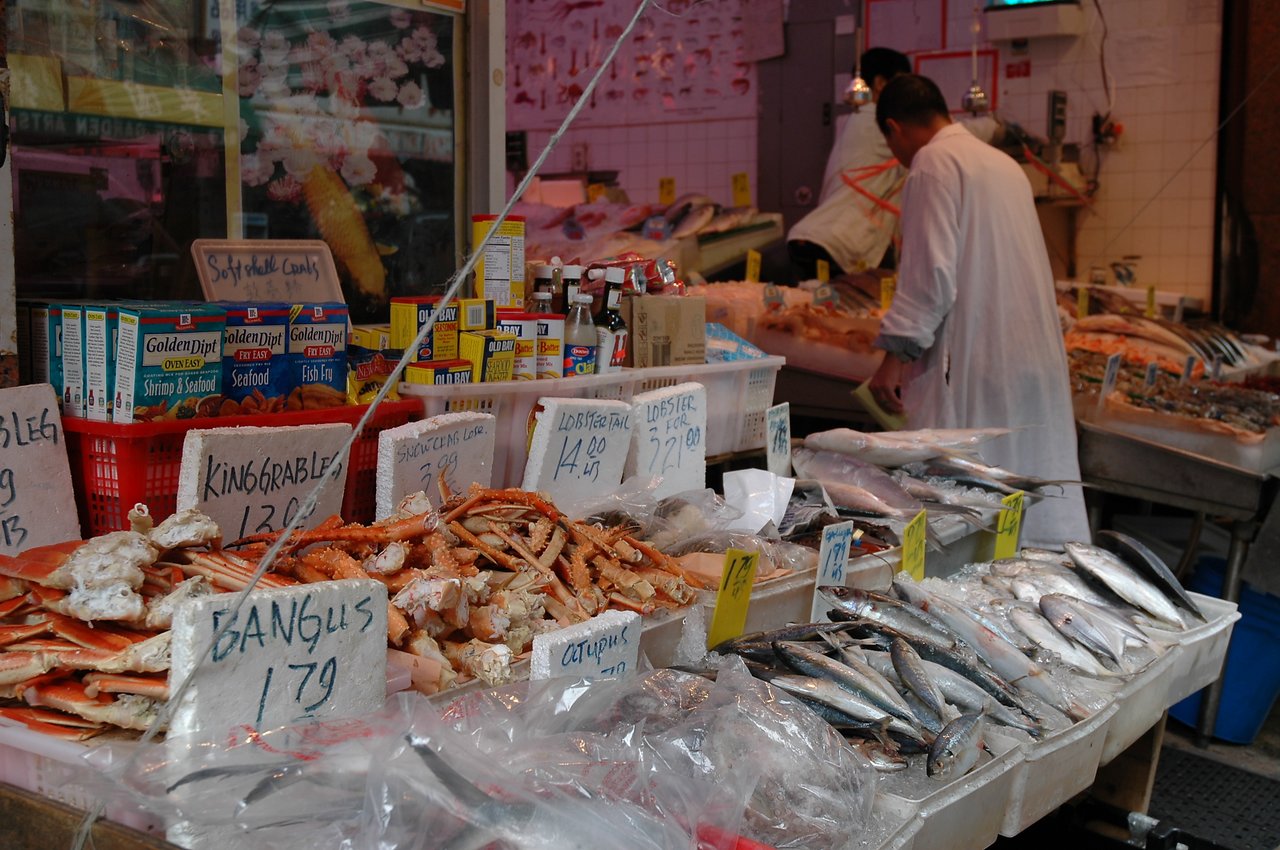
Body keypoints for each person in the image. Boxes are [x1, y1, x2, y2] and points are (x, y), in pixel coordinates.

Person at [867, 74, 1090, 548]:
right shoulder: (1003, 164)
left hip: (978, 360)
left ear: (894, 128)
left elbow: (930, 275)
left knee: (970, 503)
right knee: (1025, 487)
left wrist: (894, 358)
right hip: (1027, 357)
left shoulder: (932, 162)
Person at [787, 48, 912, 280]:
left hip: (818, 239)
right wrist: (997, 127)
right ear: (880, 84)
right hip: (834, 245)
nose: (907, 95)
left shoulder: (855, 119)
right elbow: (940, 133)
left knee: (820, 313)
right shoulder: (878, 120)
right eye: (902, 85)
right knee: (830, 313)